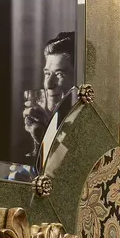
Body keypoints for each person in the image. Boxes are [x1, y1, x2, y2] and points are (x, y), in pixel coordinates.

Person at [21, 33, 78, 167]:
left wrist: (47, 134)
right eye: (47, 74)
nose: (48, 84)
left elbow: (73, 174)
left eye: (59, 74)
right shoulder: (56, 120)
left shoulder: (93, 125)